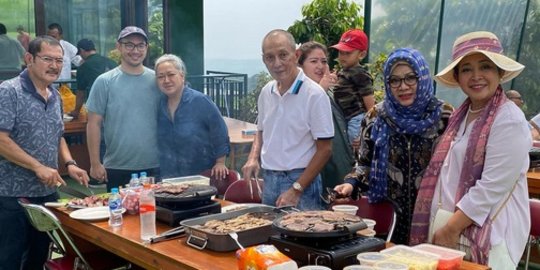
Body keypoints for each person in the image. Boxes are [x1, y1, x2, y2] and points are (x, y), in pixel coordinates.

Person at [410, 31, 531, 268]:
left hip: (489, 235)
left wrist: (451, 228)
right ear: (457, 76)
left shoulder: (509, 119)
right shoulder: (461, 115)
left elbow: (492, 186)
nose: (476, 76)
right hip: (449, 228)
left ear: (499, 72)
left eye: (485, 67)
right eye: (466, 69)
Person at [333, 48, 453, 245]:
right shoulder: (376, 117)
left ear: (422, 77)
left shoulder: (444, 117)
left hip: (431, 217)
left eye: (410, 78)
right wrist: (351, 183)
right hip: (388, 218)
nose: (403, 86)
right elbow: (364, 164)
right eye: (394, 80)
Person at [0, 36, 89, 269]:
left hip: (47, 194)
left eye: (59, 60)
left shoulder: (56, 95)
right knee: (10, 260)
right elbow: (1, 139)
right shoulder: (9, 91)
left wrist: (70, 163)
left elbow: (56, 135)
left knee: (39, 257)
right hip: (11, 195)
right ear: (29, 58)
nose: (54, 66)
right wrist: (37, 166)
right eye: (47, 59)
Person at [242, 29, 334, 210]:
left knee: (302, 236)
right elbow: (261, 129)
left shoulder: (314, 94)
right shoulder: (266, 91)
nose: (277, 63)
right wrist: (253, 157)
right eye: (270, 58)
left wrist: (297, 188)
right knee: (270, 236)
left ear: (296, 55)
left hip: (301, 181)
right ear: (264, 60)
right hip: (270, 178)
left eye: (283, 55)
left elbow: (325, 150)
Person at [86, 26, 161, 191]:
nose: (135, 50)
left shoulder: (157, 80)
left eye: (141, 45)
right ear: (118, 47)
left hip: (155, 165)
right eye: (129, 45)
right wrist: (95, 163)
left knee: (154, 215)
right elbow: (93, 124)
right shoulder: (104, 81)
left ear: (146, 48)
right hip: (117, 166)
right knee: (120, 214)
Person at [155, 54, 231, 179]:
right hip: (169, 176)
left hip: (200, 175)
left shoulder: (200, 101)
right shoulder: (160, 105)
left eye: (171, 75)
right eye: (161, 77)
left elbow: (219, 131)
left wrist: (220, 162)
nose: (166, 80)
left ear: (182, 76)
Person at [297, 41, 354, 190]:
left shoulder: (328, 91)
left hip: (339, 168)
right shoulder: (298, 92)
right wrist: (320, 89)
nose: (320, 66)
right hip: (315, 175)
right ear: (300, 66)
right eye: (313, 61)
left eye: (323, 61)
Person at [330, 29, 375, 148]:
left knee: (354, 146)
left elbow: (370, 103)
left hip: (357, 117)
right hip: (346, 117)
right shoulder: (344, 72)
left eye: (348, 53)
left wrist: (371, 125)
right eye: (341, 52)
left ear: (362, 55)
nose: (343, 56)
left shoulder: (360, 74)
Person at [70, 38, 117, 119]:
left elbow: (80, 93)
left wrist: (76, 111)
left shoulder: (83, 67)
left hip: (98, 109)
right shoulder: (111, 62)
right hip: (116, 107)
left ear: (82, 50)